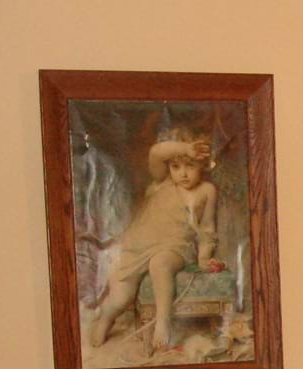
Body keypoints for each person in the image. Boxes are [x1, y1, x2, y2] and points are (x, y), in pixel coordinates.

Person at [90, 128, 220, 349]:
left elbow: (207, 226)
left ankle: (163, 321)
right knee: (120, 297)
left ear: (203, 165)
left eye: (190, 166)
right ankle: (105, 319)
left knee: (160, 263)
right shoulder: (163, 181)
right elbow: (156, 152)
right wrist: (185, 149)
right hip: (139, 245)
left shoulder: (207, 190)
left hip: (176, 246)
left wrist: (204, 256)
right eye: (176, 166)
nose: (183, 174)